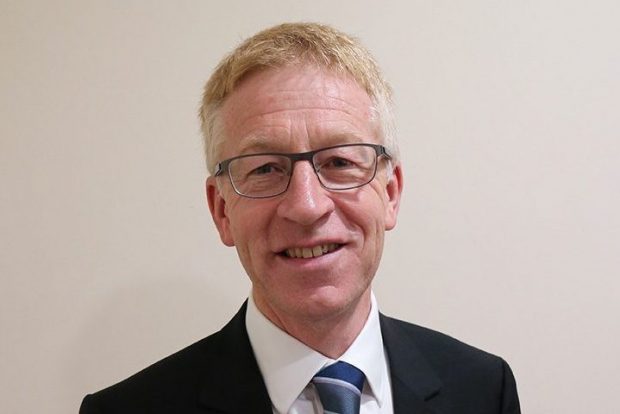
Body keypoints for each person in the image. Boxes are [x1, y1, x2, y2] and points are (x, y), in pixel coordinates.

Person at [80, 22, 520, 414]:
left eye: (340, 162)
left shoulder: (484, 390)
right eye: (266, 169)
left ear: (390, 193)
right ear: (221, 210)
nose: (307, 206)